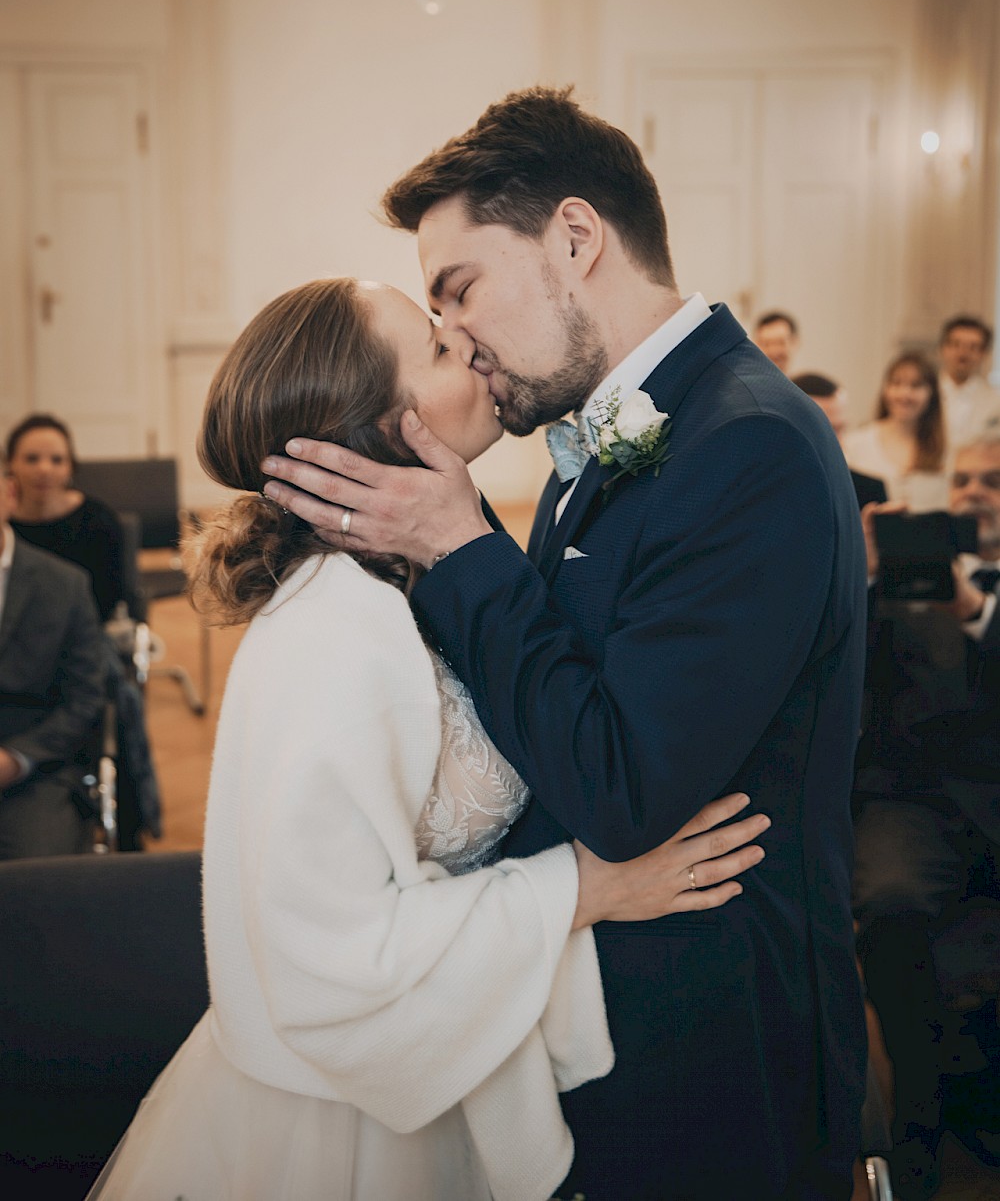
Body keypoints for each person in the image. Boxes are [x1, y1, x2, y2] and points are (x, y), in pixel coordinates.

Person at [262, 88, 870, 1201]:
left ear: (575, 238)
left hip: (718, 1053)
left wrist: (457, 545)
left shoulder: (750, 448)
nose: (457, 337)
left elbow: (622, 786)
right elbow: (547, 694)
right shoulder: (612, 433)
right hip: (606, 1030)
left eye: (461, 291)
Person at [87, 276, 767, 1201]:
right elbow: (328, 959)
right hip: (343, 1131)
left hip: (420, 1075)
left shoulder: (404, 581)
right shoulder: (341, 628)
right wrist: (588, 886)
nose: (472, 346)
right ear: (375, 428)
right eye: (441, 348)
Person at [854, 436, 1000, 1198]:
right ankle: (915, 1132)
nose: (976, 492)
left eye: (995, 480)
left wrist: (979, 613)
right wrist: (868, 573)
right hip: (918, 798)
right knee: (891, 902)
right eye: (966, 479)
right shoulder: (907, 577)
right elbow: (853, 675)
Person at [0, 463, 107, 858]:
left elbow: (85, 700)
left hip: (35, 772)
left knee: (41, 883)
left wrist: (14, 759)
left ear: (10, 494)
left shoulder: (64, 584)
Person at [6, 414, 136, 622]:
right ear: (11, 464)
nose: (44, 469)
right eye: (31, 459)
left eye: (57, 460)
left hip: (82, 636)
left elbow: (108, 600)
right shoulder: (3, 525)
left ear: (70, 467)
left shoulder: (98, 522)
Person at [841, 352, 949, 512]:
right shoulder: (855, 443)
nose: (904, 394)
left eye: (916, 385)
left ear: (932, 393)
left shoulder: (947, 450)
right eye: (896, 384)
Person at [792, 372, 888, 508]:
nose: (840, 442)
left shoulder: (869, 493)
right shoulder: (764, 488)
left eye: (840, 429)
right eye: (828, 430)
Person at [938, 314, 1000, 451]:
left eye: (973, 347)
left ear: (984, 353)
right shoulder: (925, 394)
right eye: (956, 344)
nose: (963, 353)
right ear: (943, 348)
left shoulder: (995, 401)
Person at [753, 309, 799, 374]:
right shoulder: (743, 383)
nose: (774, 351)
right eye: (766, 344)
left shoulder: (805, 383)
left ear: (794, 342)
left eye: (780, 343)